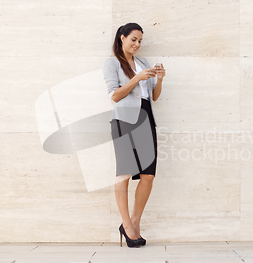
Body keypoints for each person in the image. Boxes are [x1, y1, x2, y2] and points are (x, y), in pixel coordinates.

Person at [103, 22, 165, 248]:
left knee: (148, 175)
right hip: (125, 121)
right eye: (133, 39)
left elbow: (153, 97)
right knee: (125, 175)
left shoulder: (143, 63)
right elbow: (115, 96)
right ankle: (126, 225)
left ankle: (136, 221)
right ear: (122, 38)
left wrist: (159, 79)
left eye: (140, 41)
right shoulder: (112, 63)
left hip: (146, 118)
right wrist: (137, 79)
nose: (137, 44)